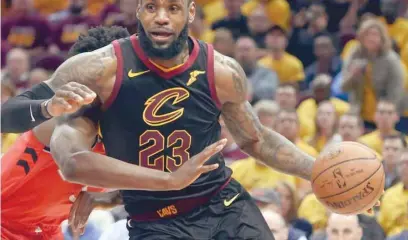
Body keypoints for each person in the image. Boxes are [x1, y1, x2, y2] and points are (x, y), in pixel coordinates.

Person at [46, 1, 376, 239]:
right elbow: (74, 160)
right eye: (152, 7)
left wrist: (321, 173)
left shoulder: (220, 71)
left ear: (190, 12)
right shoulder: (101, 71)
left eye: (173, 8)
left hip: (223, 204)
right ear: (140, 12)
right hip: (156, 220)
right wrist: (112, 193)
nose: (162, 17)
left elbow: (256, 139)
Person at [1, 26, 221, 240]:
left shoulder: (137, 123)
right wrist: (46, 107)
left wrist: (106, 197)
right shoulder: (67, 117)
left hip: (45, 230)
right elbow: (6, 117)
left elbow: (150, 190)